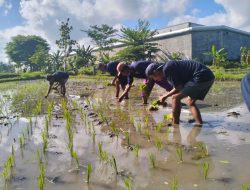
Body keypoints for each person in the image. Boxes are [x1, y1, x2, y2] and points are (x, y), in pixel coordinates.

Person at [146, 60, 215, 125]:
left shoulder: (167, 69)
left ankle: (175, 123)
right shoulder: (168, 67)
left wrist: (165, 96)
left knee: (175, 98)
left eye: (153, 77)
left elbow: (178, 88)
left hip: (201, 76)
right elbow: (180, 87)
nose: (155, 79)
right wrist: (165, 96)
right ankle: (199, 124)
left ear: (155, 72)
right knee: (190, 102)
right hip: (209, 76)